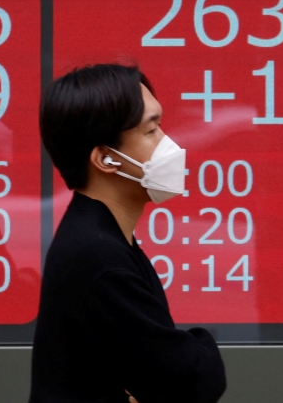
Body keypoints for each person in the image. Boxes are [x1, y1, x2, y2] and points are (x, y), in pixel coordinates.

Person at [30, 64, 227, 403]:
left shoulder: (100, 237)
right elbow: (188, 382)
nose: (169, 145)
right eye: (151, 131)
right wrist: (202, 344)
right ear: (106, 159)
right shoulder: (99, 259)